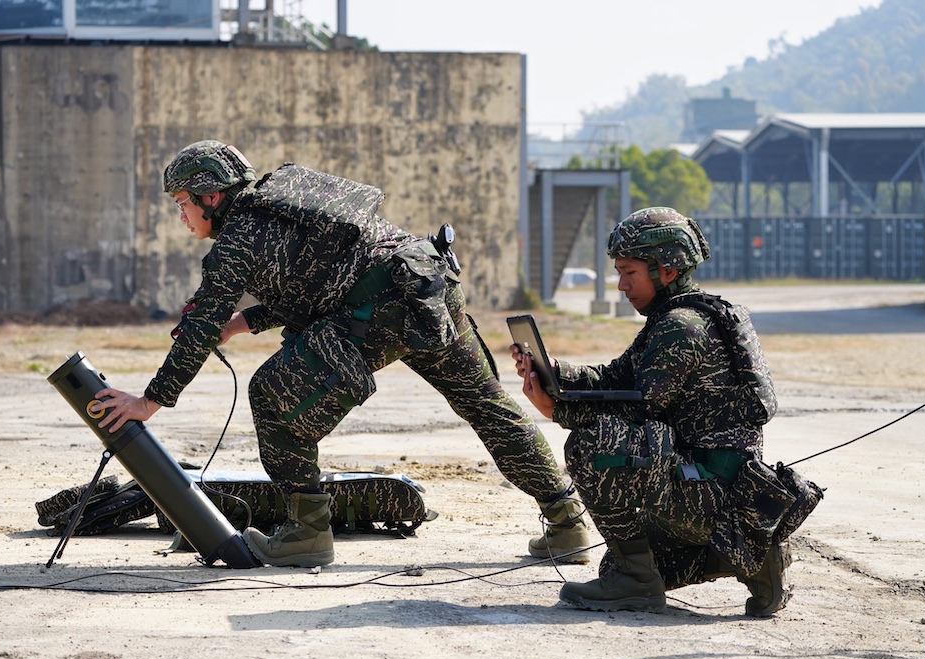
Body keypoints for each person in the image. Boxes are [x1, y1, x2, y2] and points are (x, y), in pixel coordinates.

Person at [94, 139, 592, 568]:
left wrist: (149, 401)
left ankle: (307, 532)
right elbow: (314, 284)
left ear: (211, 196)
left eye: (182, 202)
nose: (181, 216)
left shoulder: (236, 242)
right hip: (426, 281)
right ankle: (567, 523)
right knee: (488, 406)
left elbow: (199, 328)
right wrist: (242, 323)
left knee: (271, 395)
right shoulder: (281, 204)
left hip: (380, 309)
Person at [511, 206, 815, 617]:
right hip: (711, 487)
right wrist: (553, 373)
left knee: (592, 444)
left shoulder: (681, 327)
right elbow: (614, 379)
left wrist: (557, 410)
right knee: (615, 565)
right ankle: (749, 556)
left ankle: (647, 578)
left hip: (708, 487)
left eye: (629, 273)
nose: (621, 285)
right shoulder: (680, 317)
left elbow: (641, 411)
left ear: (667, 271)